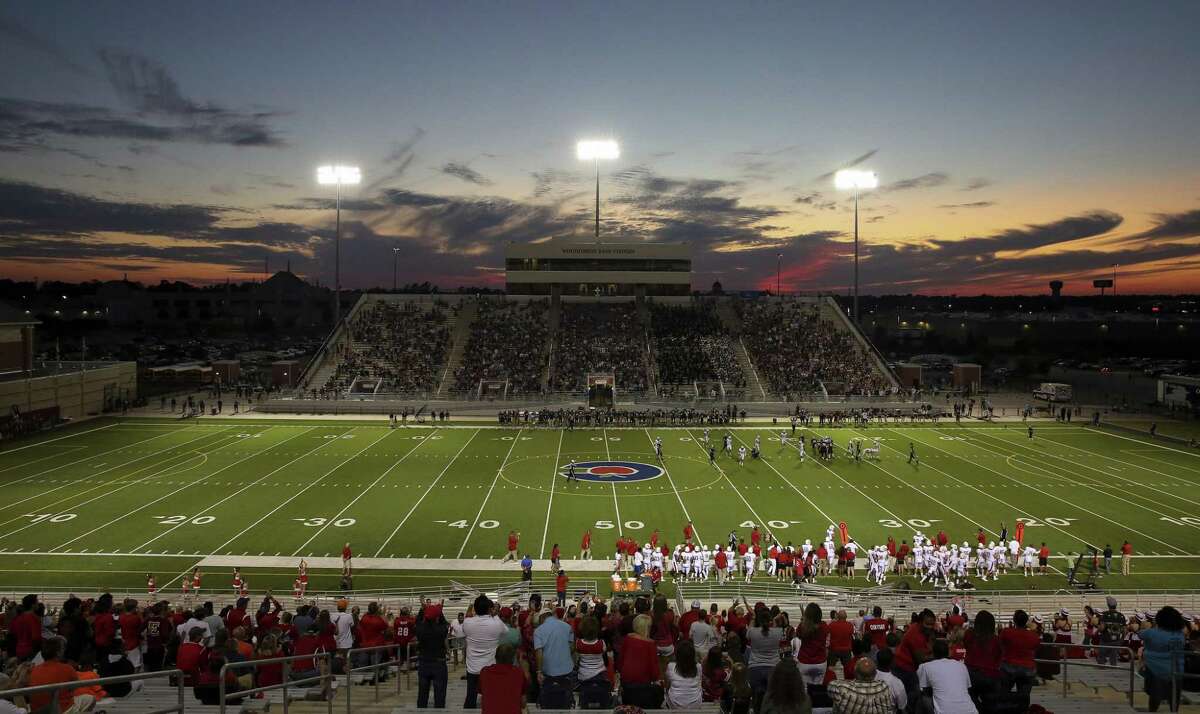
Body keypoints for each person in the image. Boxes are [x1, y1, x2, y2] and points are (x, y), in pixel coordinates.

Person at [462, 595, 509, 708]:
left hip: (472, 668)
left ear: (475, 608)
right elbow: (506, 631)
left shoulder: (468, 623)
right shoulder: (496, 623)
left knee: (470, 697)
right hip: (490, 667)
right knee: (490, 698)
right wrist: (495, 615)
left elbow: (466, 622)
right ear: (489, 609)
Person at [1140, 606, 1186, 712]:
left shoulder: (1152, 633)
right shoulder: (1180, 635)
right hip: (1177, 670)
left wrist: (1153, 626)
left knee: (1155, 697)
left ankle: (1152, 711)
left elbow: (1141, 634)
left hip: (1155, 670)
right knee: (1174, 697)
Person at [916, 639, 977, 714]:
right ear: (948, 652)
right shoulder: (961, 665)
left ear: (933, 653)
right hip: (970, 711)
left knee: (922, 697)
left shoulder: (925, 666)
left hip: (945, 712)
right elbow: (968, 688)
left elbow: (923, 689)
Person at [747, 608, 787, 712]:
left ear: (759, 621)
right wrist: (773, 619)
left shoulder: (753, 632)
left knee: (756, 699)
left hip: (755, 668)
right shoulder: (777, 632)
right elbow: (774, 629)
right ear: (769, 621)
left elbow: (748, 632)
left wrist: (754, 618)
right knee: (772, 699)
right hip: (773, 667)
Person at [619, 614, 663, 708]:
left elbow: (621, 661)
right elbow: (654, 672)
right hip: (642, 686)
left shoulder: (627, 639)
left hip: (627, 684)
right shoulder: (650, 644)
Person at [963, 610, 1002, 710]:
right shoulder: (996, 639)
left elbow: (966, 645)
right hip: (990, 674)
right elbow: (999, 656)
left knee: (971, 702)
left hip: (971, 674)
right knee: (991, 704)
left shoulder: (969, 634)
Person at [829, 657, 894, 714]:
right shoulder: (884, 686)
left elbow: (831, 685)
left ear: (855, 672)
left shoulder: (843, 689)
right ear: (875, 674)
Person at [415, 603, 450, 708]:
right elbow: (445, 624)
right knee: (440, 694)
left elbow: (417, 621)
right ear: (437, 617)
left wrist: (423, 611)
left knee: (422, 693)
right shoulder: (441, 630)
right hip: (438, 663)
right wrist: (439, 611)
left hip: (424, 662)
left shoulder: (420, 629)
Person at [998, 610, 1039, 698]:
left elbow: (1000, 645)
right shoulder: (1033, 635)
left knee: (1004, 693)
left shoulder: (1006, 632)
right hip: (1028, 668)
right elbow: (1035, 647)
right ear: (1026, 621)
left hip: (1008, 666)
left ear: (1014, 620)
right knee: (1024, 696)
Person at [479, 642, 528, 714]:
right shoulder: (518, 673)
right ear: (512, 659)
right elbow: (523, 703)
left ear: (495, 657)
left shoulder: (485, 672)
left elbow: (482, 695)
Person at [795, 603, 830, 685]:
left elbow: (798, 635)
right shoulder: (824, 626)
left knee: (804, 690)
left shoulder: (802, 627)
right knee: (817, 691)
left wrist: (803, 621)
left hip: (805, 662)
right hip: (820, 662)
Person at [666, 639, 703, 709]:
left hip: (675, 705)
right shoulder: (698, 666)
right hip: (695, 705)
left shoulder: (671, 666)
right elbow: (700, 684)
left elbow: (667, 685)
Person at [873, 649, 908, 714]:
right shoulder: (897, 683)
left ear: (877, 662)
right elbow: (902, 707)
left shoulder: (869, 675)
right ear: (892, 663)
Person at [1098, 596, 1128, 666]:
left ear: (1108, 605)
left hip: (1105, 640)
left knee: (1102, 657)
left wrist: (1098, 627)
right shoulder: (1121, 616)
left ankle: (1102, 668)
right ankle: (1113, 670)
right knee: (1113, 658)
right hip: (1116, 640)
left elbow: (1102, 628)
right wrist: (1122, 639)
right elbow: (1125, 630)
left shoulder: (1104, 615)